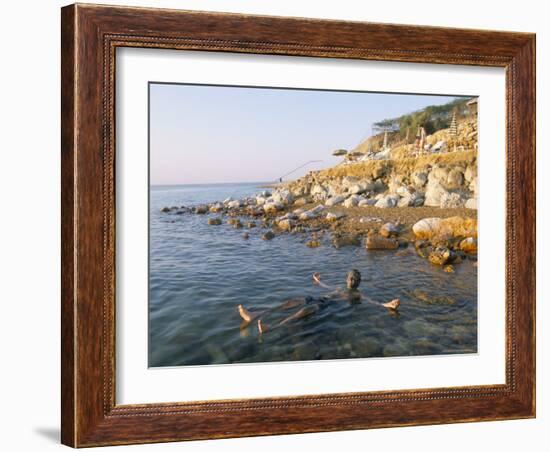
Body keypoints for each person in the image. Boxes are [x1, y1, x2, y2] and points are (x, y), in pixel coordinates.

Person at [237, 270, 400, 335]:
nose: (351, 280)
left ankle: (271, 328)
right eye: (350, 277)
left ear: (359, 282)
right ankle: (255, 314)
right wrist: (317, 280)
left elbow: (375, 302)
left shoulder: (358, 294)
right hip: (319, 298)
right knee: (293, 301)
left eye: (354, 279)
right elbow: (325, 286)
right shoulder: (338, 287)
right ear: (346, 278)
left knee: (305, 310)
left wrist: (388, 304)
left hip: (326, 306)